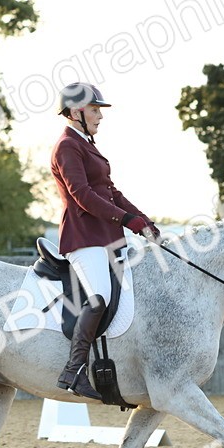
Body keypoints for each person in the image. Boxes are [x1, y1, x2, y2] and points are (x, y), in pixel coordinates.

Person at [50, 82, 160, 400]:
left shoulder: (87, 145)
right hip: (84, 237)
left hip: (107, 237)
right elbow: (82, 196)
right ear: (76, 112)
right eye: (95, 109)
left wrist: (143, 221)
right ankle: (74, 370)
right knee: (99, 296)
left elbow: (112, 193)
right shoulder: (67, 146)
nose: (100, 116)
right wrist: (126, 220)